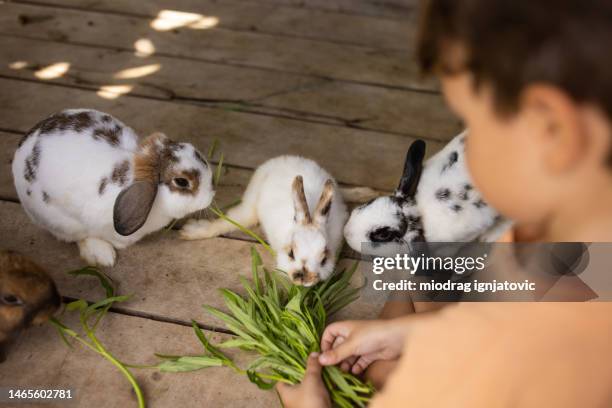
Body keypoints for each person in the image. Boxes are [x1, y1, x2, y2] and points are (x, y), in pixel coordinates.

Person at [277, 0, 612, 406]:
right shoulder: (580, 244)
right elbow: (507, 308)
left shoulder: (536, 369)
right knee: (423, 288)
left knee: (383, 368)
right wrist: (411, 333)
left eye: (471, 127)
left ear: (552, 128)